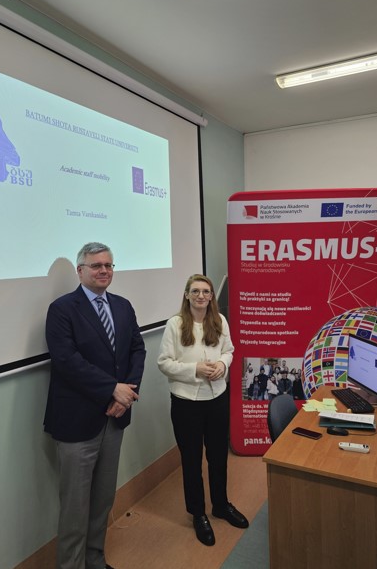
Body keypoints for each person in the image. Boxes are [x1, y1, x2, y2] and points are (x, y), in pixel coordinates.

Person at [44, 242, 146, 569]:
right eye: (96, 265)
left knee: (103, 499)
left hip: (114, 418)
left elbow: (137, 350)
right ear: (80, 271)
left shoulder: (122, 306)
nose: (104, 271)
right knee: (75, 507)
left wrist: (127, 394)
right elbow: (66, 360)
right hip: (77, 422)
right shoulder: (62, 309)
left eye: (109, 265)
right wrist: (112, 390)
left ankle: (95, 560)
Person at [158, 274, 248, 546]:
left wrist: (222, 364)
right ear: (187, 295)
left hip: (217, 397)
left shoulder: (219, 321)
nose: (201, 296)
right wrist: (194, 369)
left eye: (206, 292)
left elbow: (229, 350)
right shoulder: (175, 324)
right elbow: (164, 363)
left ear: (211, 296)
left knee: (218, 456)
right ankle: (198, 513)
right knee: (192, 459)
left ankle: (220, 505)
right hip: (186, 402)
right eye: (195, 291)